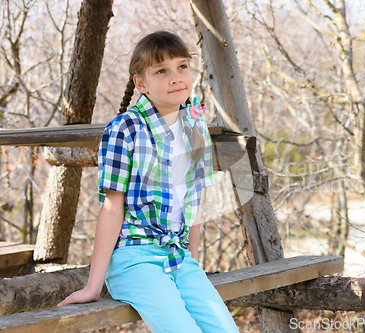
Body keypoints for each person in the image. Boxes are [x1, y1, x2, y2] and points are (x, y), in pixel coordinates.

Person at [58, 30, 240, 333]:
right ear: (140, 83)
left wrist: (192, 264)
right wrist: (94, 285)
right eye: (161, 71)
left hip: (178, 257)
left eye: (182, 66)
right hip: (136, 258)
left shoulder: (195, 124)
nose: (176, 77)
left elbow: (194, 204)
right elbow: (112, 209)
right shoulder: (124, 129)